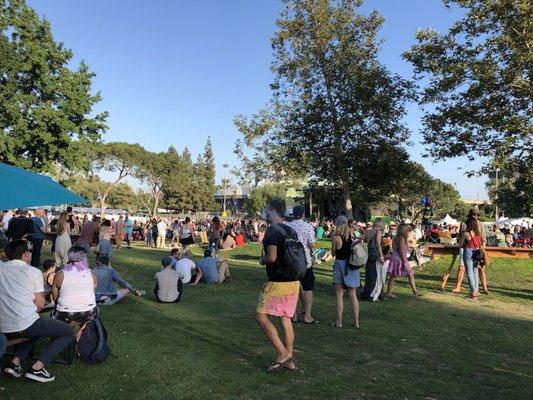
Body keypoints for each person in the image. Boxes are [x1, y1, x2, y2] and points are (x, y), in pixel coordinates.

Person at [0, 240, 74, 383]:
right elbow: (40, 304)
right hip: (22, 323)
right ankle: (37, 368)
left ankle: (15, 363)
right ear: (25, 254)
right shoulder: (33, 272)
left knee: (35, 325)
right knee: (68, 332)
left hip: (3, 323)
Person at [255, 199, 298, 372]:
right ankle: (290, 360)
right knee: (285, 318)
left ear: (272, 211)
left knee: (261, 316)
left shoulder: (273, 231)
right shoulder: (291, 230)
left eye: (267, 209)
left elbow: (271, 257)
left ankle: (282, 353)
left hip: (277, 282)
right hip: (293, 281)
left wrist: (262, 260)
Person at [50, 246, 98, 323]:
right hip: (89, 311)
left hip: (64, 312)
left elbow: (54, 294)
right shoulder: (92, 274)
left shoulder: (60, 274)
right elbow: (92, 293)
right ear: (84, 257)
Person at [287, 205, 317, 324]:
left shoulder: (288, 226)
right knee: (308, 288)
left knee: (293, 287)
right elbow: (312, 245)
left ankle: (293, 314)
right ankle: (307, 315)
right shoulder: (307, 226)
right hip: (305, 261)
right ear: (303, 214)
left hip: (291, 261)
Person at [331, 217, 360, 329]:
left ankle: (339, 321)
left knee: (339, 294)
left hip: (340, 264)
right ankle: (356, 322)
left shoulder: (336, 237)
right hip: (351, 266)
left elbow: (333, 253)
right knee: (353, 295)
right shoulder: (353, 237)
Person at [386, 224, 422, 298]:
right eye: (408, 230)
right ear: (404, 231)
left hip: (396, 258)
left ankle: (389, 292)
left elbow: (397, 249)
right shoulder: (402, 238)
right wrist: (405, 262)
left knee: (394, 275)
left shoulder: (397, 237)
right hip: (400, 259)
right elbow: (401, 251)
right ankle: (415, 293)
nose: (409, 232)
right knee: (409, 274)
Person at [458, 217, 484, 298]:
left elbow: (460, 244)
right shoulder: (478, 234)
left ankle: (473, 291)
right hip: (477, 252)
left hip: (468, 251)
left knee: (469, 273)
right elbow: (480, 244)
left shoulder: (466, 234)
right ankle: (476, 290)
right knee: (475, 271)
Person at [361, 218, 385, 301]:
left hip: (370, 254)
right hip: (375, 255)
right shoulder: (378, 232)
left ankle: (367, 293)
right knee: (376, 275)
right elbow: (378, 245)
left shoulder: (370, 231)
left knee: (369, 275)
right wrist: (381, 256)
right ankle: (374, 294)